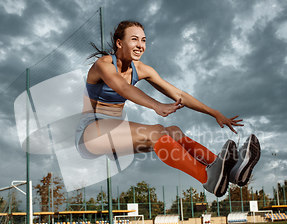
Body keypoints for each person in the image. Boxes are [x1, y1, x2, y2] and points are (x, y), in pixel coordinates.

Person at [75, 20, 260, 197]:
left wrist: (215, 113)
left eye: (143, 40)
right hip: (90, 134)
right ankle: (207, 178)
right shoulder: (103, 65)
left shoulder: (142, 69)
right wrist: (156, 105)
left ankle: (232, 173)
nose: (140, 45)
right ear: (119, 43)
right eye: (134, 39)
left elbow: (180, 94)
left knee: (173, 132)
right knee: (157, 131)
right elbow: (123, 87)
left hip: (113, 132)